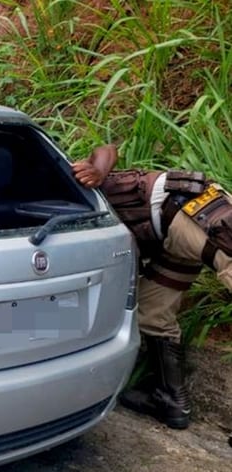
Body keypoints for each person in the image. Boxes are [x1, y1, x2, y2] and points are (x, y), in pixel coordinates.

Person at [71, 144, 232, 429]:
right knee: (153, 313)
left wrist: (97, 171)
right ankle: (171, 400)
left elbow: (106, 148)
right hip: (172, 242)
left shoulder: (74, 177)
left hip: (190, 213)